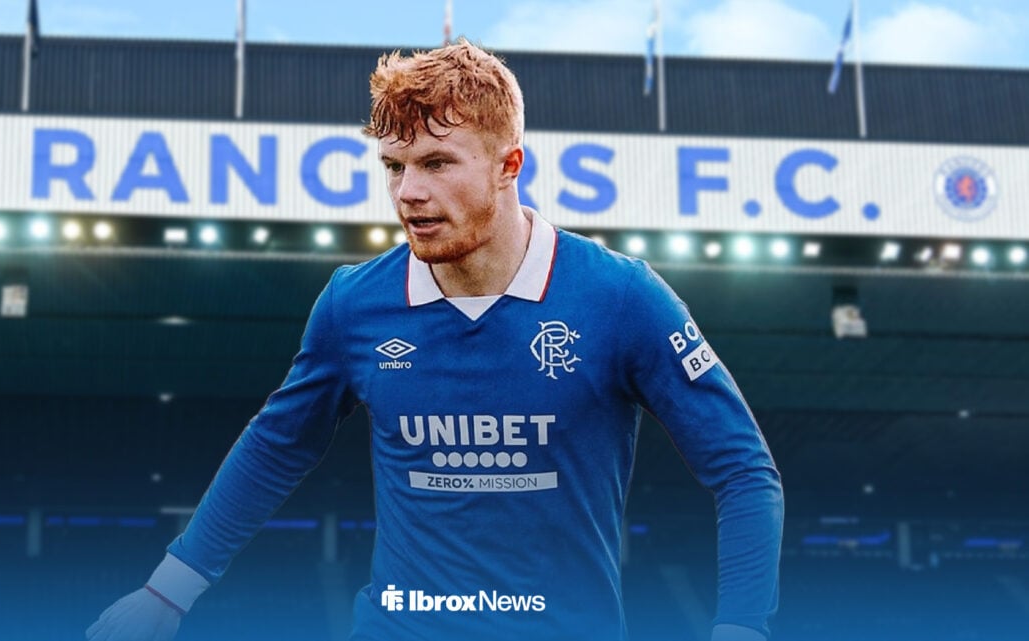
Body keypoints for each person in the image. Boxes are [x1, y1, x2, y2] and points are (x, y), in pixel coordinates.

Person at [86, 39, 783, 641]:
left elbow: (743, 470)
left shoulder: (621, 298)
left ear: (509, 165)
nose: (407, 192)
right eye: (394, 166)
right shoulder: (354, 304)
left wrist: (742, 626)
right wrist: (165, 592)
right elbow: (277, 444)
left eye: (437, 163)